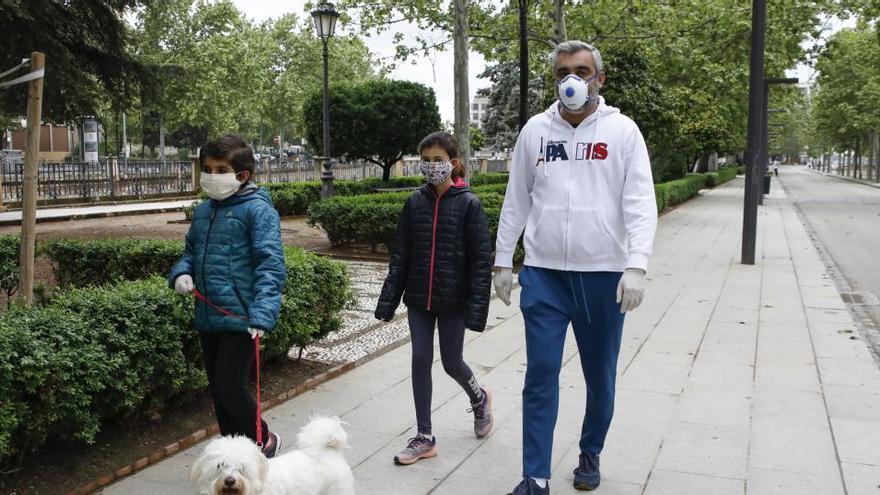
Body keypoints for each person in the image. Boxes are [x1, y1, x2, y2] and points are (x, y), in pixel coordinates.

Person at [493, 41, 658, 494]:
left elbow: (641, 202)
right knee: (540, 373)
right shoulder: (535, 132)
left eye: (582, 70)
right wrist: (502, 260)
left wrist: (637, 266)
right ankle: (535, 476)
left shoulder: (623, 132)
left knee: (599, 377)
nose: (573, 79)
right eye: (564, 71)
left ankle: (590, 450)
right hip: (545, 275)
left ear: (599, 79)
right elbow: (517, 199)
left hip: (604, 276)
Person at [375, 131, 494, 466]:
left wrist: (476, 310)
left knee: (452, 362)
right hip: (418, 299)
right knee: (420, 358)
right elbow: (400, 255)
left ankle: (479, 398)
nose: (430, 167)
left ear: (453, 163)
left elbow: (480, 262)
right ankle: (424, 436)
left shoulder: (470, 204)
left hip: (453, 300)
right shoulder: (414, 203)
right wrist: (387, 302)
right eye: (425, 161)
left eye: (437, 161)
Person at [168, 135, 286, 458]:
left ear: (242, 175)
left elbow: (270, 265)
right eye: (207, 168)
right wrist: (182, 273)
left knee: (230, 387)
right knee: (219, 393)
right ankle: (234, 458)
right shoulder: (204, 211)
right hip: (208, 317)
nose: (211, 175)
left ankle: (263, 441)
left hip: (242, 319)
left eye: (221, 169)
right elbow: (190, 252)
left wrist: (262, 313)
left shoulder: (258, 211)